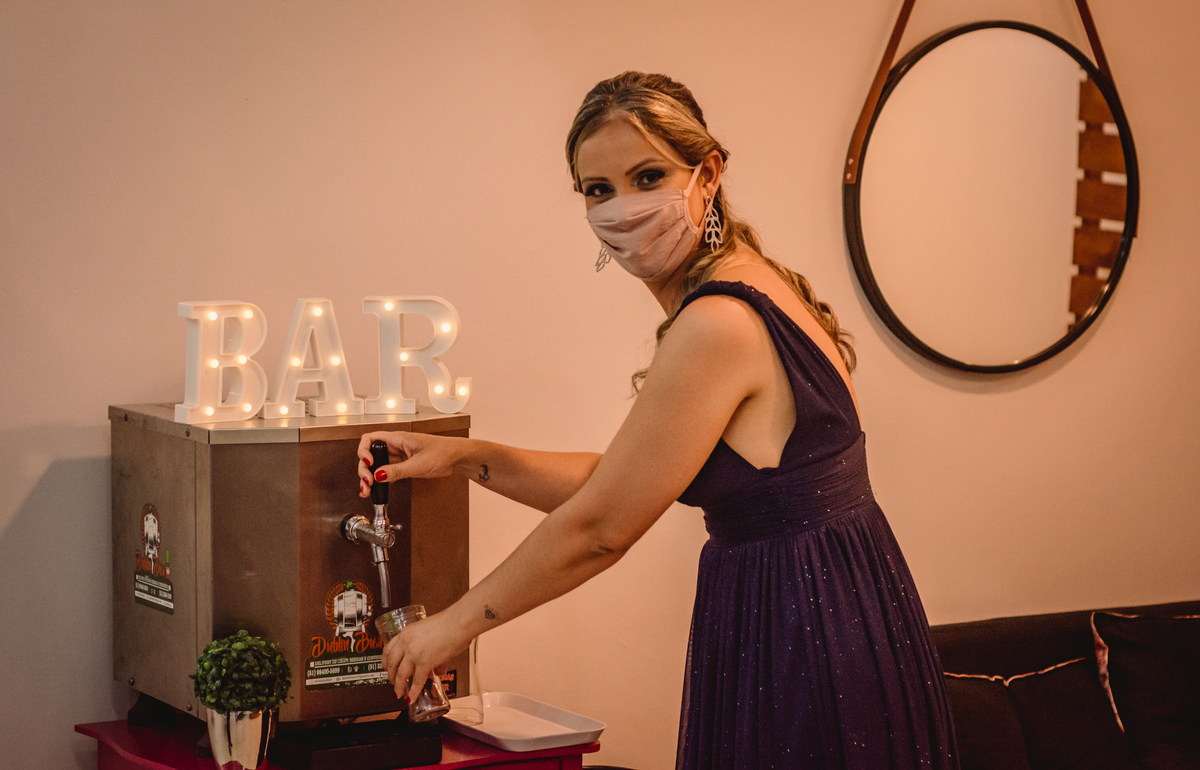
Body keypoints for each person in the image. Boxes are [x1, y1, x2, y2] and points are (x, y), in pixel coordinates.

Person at [357, 71, 958, 769]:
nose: (623, 209)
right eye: (598, 190)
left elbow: (604, 528)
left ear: (707, 174)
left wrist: (450, 629)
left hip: (799, 633)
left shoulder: (716, 323)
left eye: (647, 177)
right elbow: (626, 479)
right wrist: (461, 458)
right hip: (841, 608)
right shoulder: (757, 279)